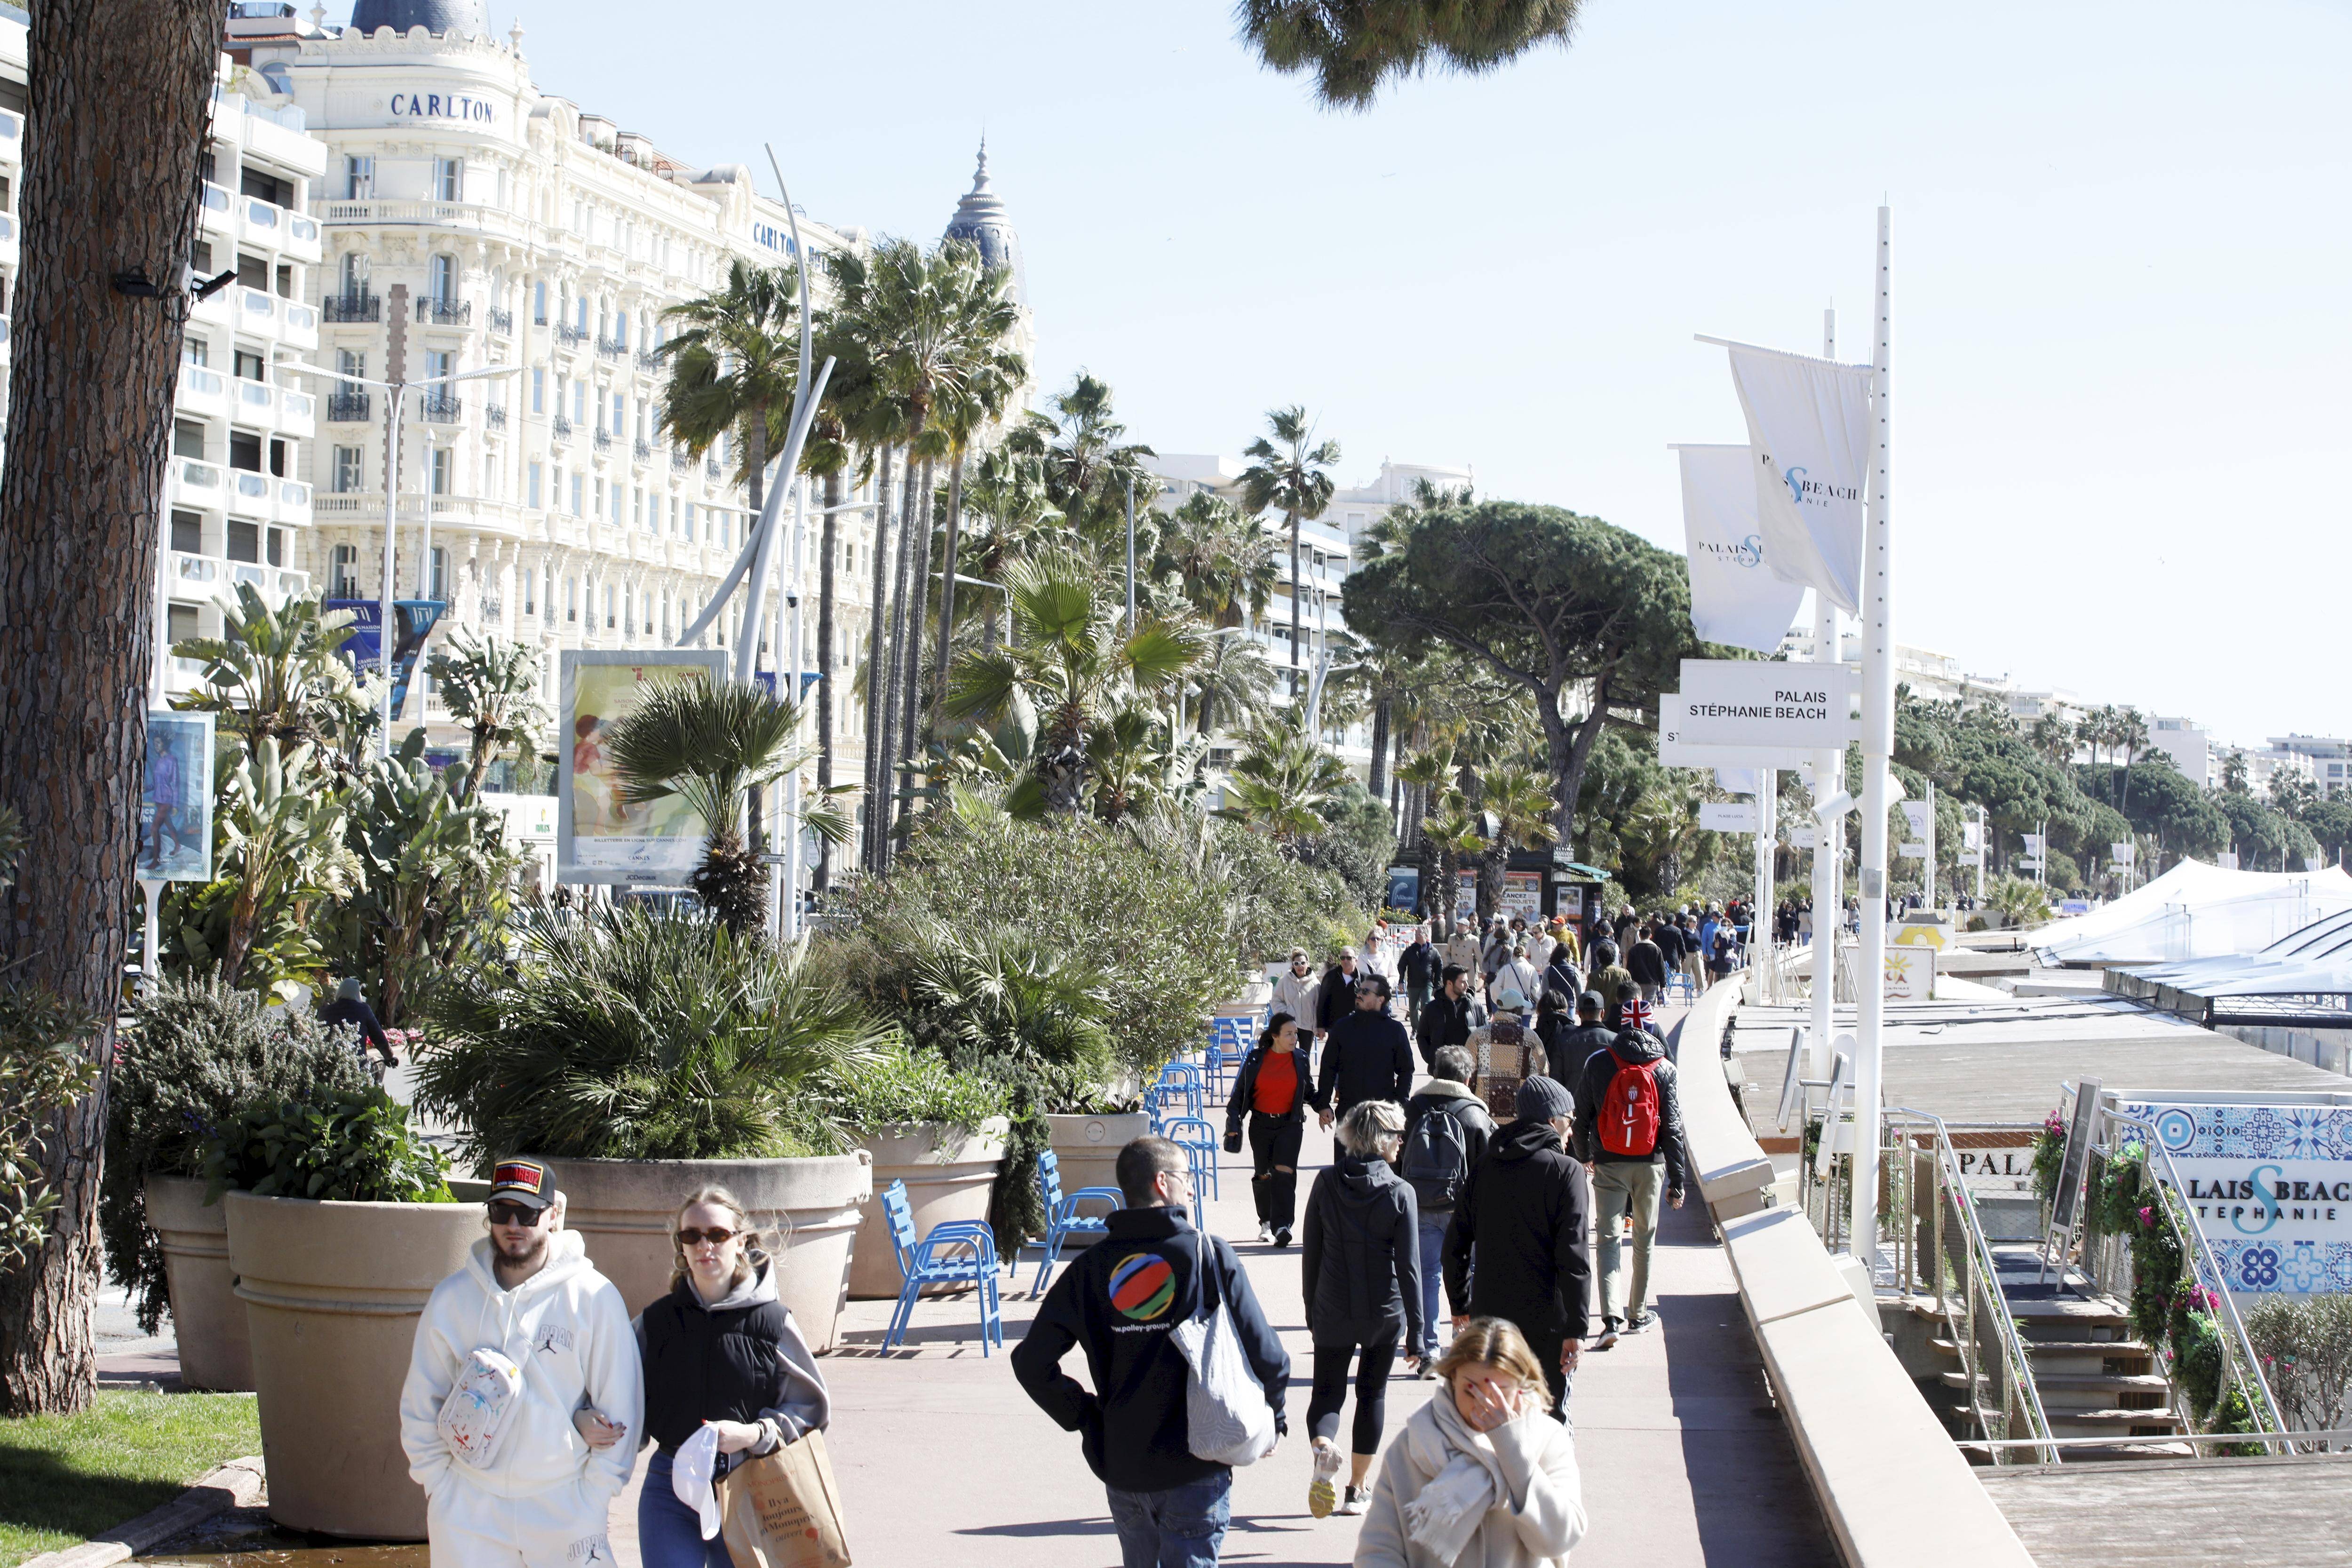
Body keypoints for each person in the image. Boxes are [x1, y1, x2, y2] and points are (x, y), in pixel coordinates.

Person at [1014, 1137, 1289, 1568]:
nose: (1192, 1189)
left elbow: (1031, 1361)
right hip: (1196, 1464)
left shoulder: (1090, 1267)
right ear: (1163, 1183)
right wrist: (1275, 1416)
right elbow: (1267, 1352)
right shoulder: (1207, 1255)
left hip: (1124, 1465)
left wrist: (1087, 1416)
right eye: (1187, 1178)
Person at [400, 1159, 641, 1568]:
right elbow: (421, 1402)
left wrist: (593, 1498)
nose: (514, 1224)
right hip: (468, 1511)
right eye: (501, 1211)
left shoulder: (593, 1297)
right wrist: (441, 1487)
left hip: (566, 1506)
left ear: (553, 1215)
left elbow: (622, 1406)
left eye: (528, 1212)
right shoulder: (452, 1299)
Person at [628, 1186, 830, 1568]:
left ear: (740, 1241)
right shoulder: (656, 1321)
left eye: (718, 1234)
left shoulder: (772, 1320)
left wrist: (755, 1434)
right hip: (669, 1487)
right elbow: (617, 1390)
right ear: (682, 1247)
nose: (705, 1245)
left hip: (749, 1485)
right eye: (692, 1235)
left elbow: (811, 1408)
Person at [1351, 1316, 1588, 1568]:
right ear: (1453, 1380)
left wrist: (1512, 1450)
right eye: (1470, 1390)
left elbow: (1559, 1540)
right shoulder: (1416, 1441)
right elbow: (1377, 1552)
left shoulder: (1548, 1439)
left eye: (1499, 1392)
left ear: (1521, 1386)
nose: (1482, 1405)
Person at [1442, 1079, 1592, 1423]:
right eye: (1570, 1119)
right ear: (1553, 1120)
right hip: (1547, 1325)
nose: (1571, 1130)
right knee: (1547, 1422)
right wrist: (1576, 1328)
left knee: (1491, 1418)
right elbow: (1575, 1257)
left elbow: (1456, 1244)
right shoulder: (1565, 1171)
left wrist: (1460, 1305)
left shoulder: (1484, 1166)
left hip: (1490, 1319)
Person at [1300, 1100, 1422, 1520]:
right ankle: (1356, 1488)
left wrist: (1310, 1308)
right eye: (1398, 1134)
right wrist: (1418, 1332)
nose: (1402, 1141)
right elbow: (1409, 1267)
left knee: (1327, 1392)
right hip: (1383, 1311)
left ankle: (1322, 1447)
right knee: (1372, 1394)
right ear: (1383, 1140)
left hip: (1332, 1302)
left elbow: (1311, 1251)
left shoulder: (1326, 1182)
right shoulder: (1401, 1191)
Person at [1572, 1011, 1689, 1351]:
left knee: (1608, 1239)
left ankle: (1611, 1319)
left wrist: (1584, 1155)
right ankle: (1637, 1313)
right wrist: (1677, 1180)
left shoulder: (1598, 1063)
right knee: (1644, 1237)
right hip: (1650, 1164)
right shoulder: (1665, 1068)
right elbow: (1673, 1128)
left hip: (1609, 1161)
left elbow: (1582, 1116)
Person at [1400, 1046, 1494, 1377]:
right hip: (1464, 1210)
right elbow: (1487, 1168)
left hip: (1421, 1203)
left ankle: (1428, 1349)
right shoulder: (1475, 1114)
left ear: (1435, 1071)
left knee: (1426, 1275)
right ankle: (1466, 1347)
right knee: (1467, 1274)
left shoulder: (1413, 1108)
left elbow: (1398, 1158)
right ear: (1468, 1077)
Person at [1224, 1012, 1311, 1247]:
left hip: (1290, 1125)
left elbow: (1309, 1090)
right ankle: (1266, 1220)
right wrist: (1233, 1123)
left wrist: (1324, 1108)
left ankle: (1283, 1225)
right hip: (1261, 1124)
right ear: (1275, 1036)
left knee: (1284, 1172)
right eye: (1289, 1034)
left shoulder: (1301, 1059)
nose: (1295, 1038)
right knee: (1264, 1173)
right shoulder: (1256, 1060)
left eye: (1296, 1033)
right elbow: (1239, 1095)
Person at [1316, 975, 1414, 1129]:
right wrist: (1323, 1104)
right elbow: (1328, 1067)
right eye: (1359, 990)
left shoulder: (1395, 1030)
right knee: (1346, 1154)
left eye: (1366, 992)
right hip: (1348, 1113)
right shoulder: (1342, 1027)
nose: (1359, 994)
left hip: (1382, 1115)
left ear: (1380, 999)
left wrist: (1398, 1104)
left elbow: (1406, 1070)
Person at [320, 976, 399, 1070]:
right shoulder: (364, 1010)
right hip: (357, 1065)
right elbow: (378, 1038)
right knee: (377, 1068)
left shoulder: (325, 1011)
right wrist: (390, 1057)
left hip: (328, 1065)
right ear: (358, 993)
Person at [1415, 964, 1474, 1072]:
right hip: (1442, 1069)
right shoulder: (1432, 1008)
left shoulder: (1474, 1006)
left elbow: (1482, 1034)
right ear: (1449, 983)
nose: (1467, 985)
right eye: (1462, 982)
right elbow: (1422, 1036)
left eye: (1467, 981)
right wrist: (1431, 1059)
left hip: (1468, 1069)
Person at [1272, 950, 1320, 1049]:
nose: (1300, 966)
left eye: (1303, 963)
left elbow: (1318, 1007)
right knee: (1288, 1055)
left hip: (1308, 1027)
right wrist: (1287, 1013)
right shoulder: (1284, 981)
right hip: (1289, 1025)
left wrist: (1317, 1027)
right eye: (1296, 964)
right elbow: (1276, 1001)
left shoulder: (1315, 984)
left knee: (1304, 1057)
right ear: (1293, 966)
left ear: (1308, 964)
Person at [1316, 947, 1365, 1043]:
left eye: (1349, 958)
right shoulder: (1331, 977)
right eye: (1343, 958)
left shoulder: (1363, 979)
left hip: (1357, 1024)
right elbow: (1322, 1001)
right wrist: (1321, 1026)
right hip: (1334, 1025)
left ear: (1356, 960)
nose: (1345, 961)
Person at [1397, 927, 1442, 1025]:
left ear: (1426, 936)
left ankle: (1425, 1027)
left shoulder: (1433, 951)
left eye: (1420, 934)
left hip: (1427, 984)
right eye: (1416, 934)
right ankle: (1415, 1029)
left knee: (1426, 1006)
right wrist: (1401, 980)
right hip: (1413, 984)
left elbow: (1439, 968)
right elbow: (1401, 965)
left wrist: (1437, 985)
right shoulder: (1410, 950)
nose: (1417, 936)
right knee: (1413, 1008)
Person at [1494, 944, 1542, 1017]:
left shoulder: (1506, 969)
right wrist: (1537, 1003)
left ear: (1513, 955)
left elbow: (1496, 987)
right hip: (1526, 1008)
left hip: (1508, 1007)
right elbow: (1536, 990)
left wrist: (1501, 1000)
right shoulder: (1531, 969)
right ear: (1525, 955)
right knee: (1525, 1028)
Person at [1625, 924, 1668, 1004]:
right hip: (1652, 983)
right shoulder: (1657, 949)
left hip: (1637, 983)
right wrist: (1663, 985)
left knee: (1637, 1007)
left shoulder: (1633, 949)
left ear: (1640, 936)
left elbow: (1630, 968)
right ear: (1651, 936)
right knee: (1649, 1008)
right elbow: (1661, 968)